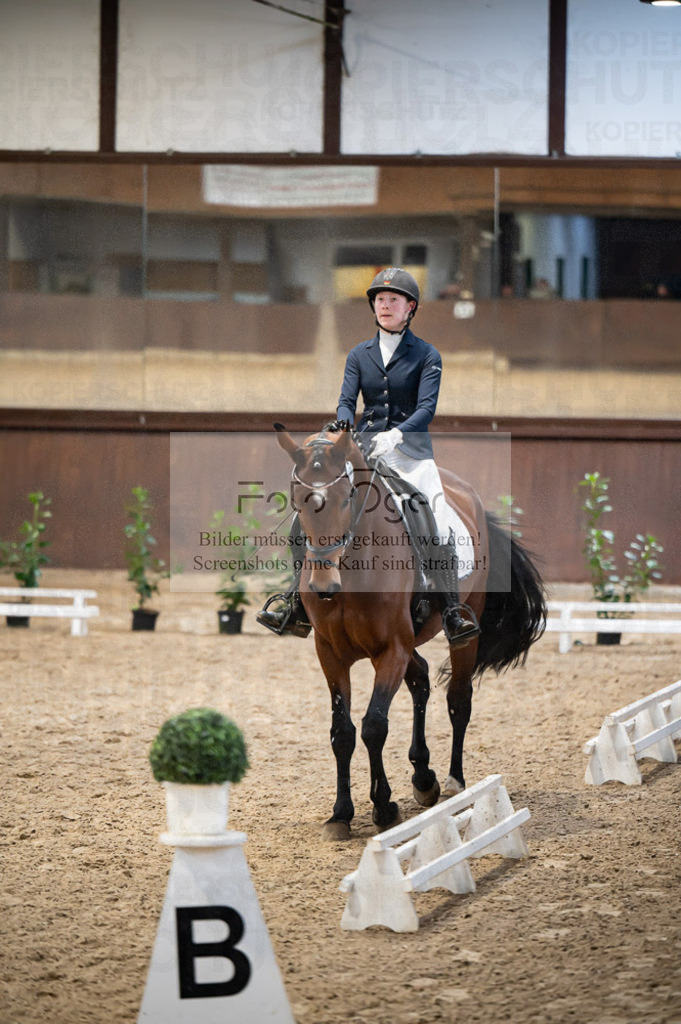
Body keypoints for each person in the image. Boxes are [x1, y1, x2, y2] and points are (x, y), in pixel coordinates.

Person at [257, 267, 480, 647]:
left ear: (411, 308)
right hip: (362, 448)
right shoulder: (359, 354)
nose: (385, 306)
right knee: (309, 511)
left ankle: (453, 609)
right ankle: (295, 600)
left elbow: (426, 408)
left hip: (411, 454)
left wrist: (395, 435)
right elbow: (347, 401)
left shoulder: (428, 355)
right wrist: (344, 432)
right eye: (379, 300)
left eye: (393, 300)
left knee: (437, 517)